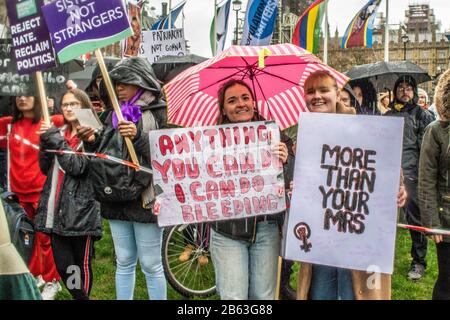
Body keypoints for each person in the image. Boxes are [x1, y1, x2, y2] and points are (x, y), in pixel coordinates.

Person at [296, 70, 407, 300]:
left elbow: (386, 167)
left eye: (324, 90)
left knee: (353, 294)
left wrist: (398, 187)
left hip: (357, 235)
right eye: (310, 92)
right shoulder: (305, 134)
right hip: (321, 238)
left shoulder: (364, 126)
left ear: (337, 94)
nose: (317, 96)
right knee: (320, 294)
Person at [77, 57, 166, 300]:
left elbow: (164, 153)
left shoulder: (158, 113)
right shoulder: (109, 115)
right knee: (124, 260)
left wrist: (138, 136)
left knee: (150, 263)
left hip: (144, 198)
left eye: (125, 82)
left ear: (141, 82)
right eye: (116, 82)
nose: (119, 87)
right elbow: (101, 154)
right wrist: (90, 140)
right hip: (114, 196)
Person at [209, 79, 295, 300]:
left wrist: (285, 161)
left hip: (266, 229)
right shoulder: (209, 141)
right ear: (223, 110)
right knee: (233, 298)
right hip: (226, 230)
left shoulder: (275, 134)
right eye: (232, 100)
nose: (240, 104)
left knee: (263, 297)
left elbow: (293, 182)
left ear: (254, 103)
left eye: (245, 98)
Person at [34, 89, 103, 300]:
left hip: (82, 211)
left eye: (74, 103)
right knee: (65, 266)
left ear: (83, 105)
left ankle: (80, 298)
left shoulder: (93, 133)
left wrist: (55, 139)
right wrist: (45, 144)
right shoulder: (61, 131)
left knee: (80, 264)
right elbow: (45, 167)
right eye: (65, 104)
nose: (69, 108)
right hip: (57, 206)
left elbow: (78, 166)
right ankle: (79, 297)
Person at [0, 96, 63, 299]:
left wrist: (71, 93)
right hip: (17, 194)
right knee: (25, 237)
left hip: (42, 191)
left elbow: (76, 115)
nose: (22, 98)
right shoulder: (9, 125)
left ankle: (53, 280)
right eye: (18, 95)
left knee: (46, 238)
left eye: (28, 94)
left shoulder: (50, 121)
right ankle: (36, 274)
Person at [385, 75, 435, 280]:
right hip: (388, 173)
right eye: (401, 88)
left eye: (408, 88)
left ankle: (418, 261)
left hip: (412, 175)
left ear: (414, 92)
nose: (405, 91)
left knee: (415, 220)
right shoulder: (387, 115)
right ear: (395, 91)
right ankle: (381, 256)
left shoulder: (422, 115)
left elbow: (427, 148)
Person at [418, 68, 450, 300]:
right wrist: (431, 221)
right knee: (447, 282)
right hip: (446, 220)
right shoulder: (436, 131)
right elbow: (426, 179)